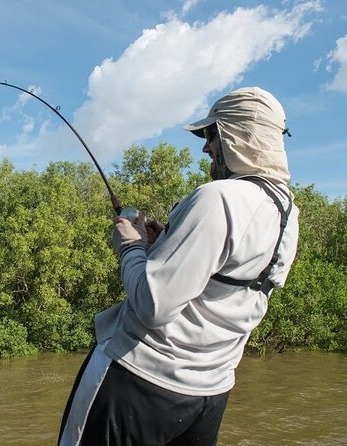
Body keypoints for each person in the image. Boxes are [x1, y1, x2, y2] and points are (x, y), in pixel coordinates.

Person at [58, 87, 300, 446]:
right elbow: (225, 279)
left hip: (137, 380)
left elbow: (153, 305)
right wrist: (166, 241)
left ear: (236, 135)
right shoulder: (287, 213)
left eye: (211, 134)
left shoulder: (217, 197)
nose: (206, 147)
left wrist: (130, 245)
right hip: (211, 394)